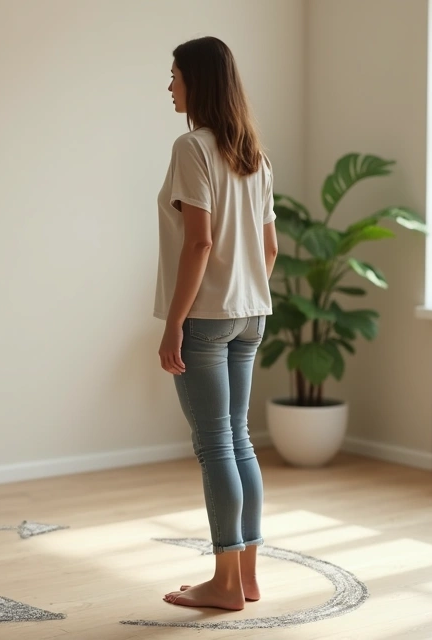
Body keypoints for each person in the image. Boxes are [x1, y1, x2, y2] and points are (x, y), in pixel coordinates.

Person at [155, 36, 279, 611]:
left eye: (176, 74)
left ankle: (225, 584)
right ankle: (247, 576)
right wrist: (246, 288)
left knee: (214, 447)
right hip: (251, 313)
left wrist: (173, 323)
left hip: (206, 318)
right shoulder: (253, 155)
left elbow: (199, 242)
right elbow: (269, 248)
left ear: (198, 81)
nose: (170, 84)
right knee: (240, 441)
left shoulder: (192, 148)